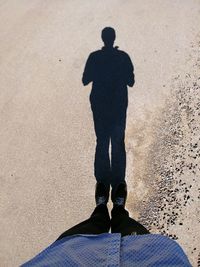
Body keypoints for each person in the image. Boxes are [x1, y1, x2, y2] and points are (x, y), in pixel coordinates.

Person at [21, 182, 192, 266]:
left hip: (70, 255)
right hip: (146, 255)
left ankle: (101, 207)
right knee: (124, 223)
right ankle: (118, 208)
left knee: (95, 223)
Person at [82, 27, 135, 198]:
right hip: (118, 106)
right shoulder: (123, 57)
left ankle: (102, 184)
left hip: (100, 106)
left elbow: (85, 80)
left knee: (102, 141)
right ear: (114, 38)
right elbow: (131, 81)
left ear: (103, 38)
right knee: (118, 141)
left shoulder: (95, 57)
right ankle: (118, 183)